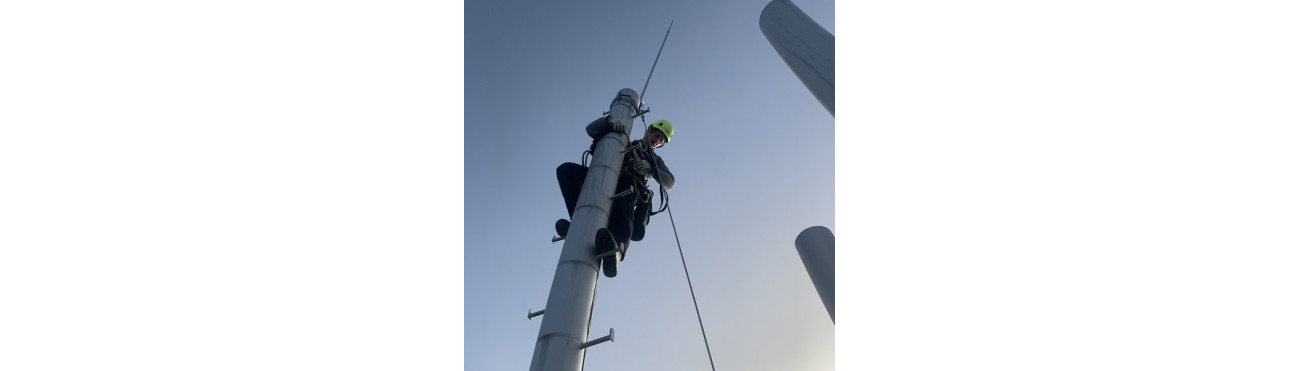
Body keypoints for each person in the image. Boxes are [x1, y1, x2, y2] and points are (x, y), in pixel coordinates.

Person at [555, 115, 675, 277]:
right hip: (605, 175)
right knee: (566, 171)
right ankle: (578, 220)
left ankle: (616, 251)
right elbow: (591, 129)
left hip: (629, 184)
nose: (657, 141)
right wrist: (609, 122)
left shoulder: (655, 159)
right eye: (657, 135)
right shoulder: (623, 141)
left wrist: (651, 168)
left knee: (625, 201)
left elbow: (670, 182)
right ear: (649, 130)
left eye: (661, 140)